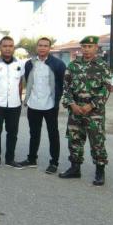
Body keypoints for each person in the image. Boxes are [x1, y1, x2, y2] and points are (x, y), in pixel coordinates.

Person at [58, 35, 112, 186]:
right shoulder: (73, 66)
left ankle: (100, 172)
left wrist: (92, 105)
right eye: (84, 47)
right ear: (81, 48)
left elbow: (107, 89)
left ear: (96, 48)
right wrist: (72, 104)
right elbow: (66, 88)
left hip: (94, 112)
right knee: (74, 140)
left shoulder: (103, 66)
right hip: (75, 110)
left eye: (90, 47)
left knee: (97, 142)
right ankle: (75, 168)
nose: (87, 50)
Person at [19, 37, 66, 174]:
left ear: (49, 48)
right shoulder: (29, 64)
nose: (42, 48)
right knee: (34, 133)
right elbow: (28, 82)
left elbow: (63, 84)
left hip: (50, 105)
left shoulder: (58, 64)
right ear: (37, 47)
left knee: (53, 134)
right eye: (40, 45)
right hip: (33, 104)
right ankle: (32, 159)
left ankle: (54, 163)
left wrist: (57, 99)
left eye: (45, 45)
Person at [0, 36, 25, 169]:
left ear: (13, 48)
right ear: (0, 48)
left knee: (12, 133)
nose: (8, 48)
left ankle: (10, 159)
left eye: (10, 46)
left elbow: (20, 84)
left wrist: (19, 100)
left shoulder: (19, 64)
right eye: (5, 46)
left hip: (14, 105)